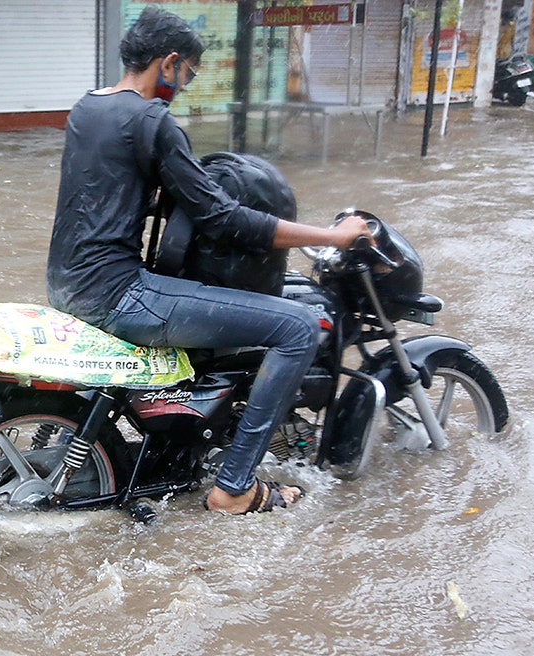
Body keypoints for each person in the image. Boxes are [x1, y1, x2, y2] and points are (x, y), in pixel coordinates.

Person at [45, 8, 371, 515]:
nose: (186, 84)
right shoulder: (151, 119)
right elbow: (225, 220)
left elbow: (111, 193)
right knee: (299, 327)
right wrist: (335, 235)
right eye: (189, 73)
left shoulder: (88, 108)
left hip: (66, 284)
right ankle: (234, 486)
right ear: (169, 63)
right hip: (118, 295)